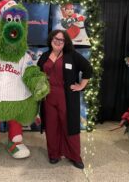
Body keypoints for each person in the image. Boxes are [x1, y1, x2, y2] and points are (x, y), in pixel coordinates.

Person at [37, 29, 93, 169]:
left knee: (70, 127)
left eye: (61, 40)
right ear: (51, 39)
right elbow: (36, 75)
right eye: (55, 38)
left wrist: (81, 85)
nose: (58, 41)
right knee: (51, 126)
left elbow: (88, 68)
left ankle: (75, 156)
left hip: (66, 98)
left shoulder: (72, 56)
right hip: (48, 98)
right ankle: (54, 154)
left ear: (65, 42)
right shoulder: (44, 56)